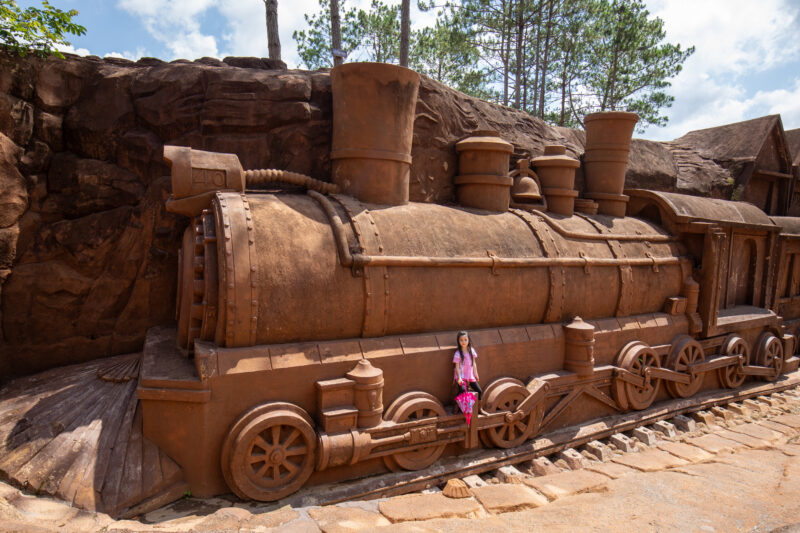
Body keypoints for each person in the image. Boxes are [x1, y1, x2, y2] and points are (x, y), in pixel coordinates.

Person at [453, 330, 482, 400]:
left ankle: (478, 407)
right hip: (461, 376)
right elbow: (456, 367)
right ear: (458, 341)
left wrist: (476, 374)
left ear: (468, 340)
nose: (463, 342)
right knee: (462, 390)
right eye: (461, 340)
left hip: (470, 375)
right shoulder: (458, 353)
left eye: (465, 340)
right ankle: (457, 404)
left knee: (479, 391)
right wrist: (459, 378)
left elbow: (474, 363)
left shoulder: (471, 351)